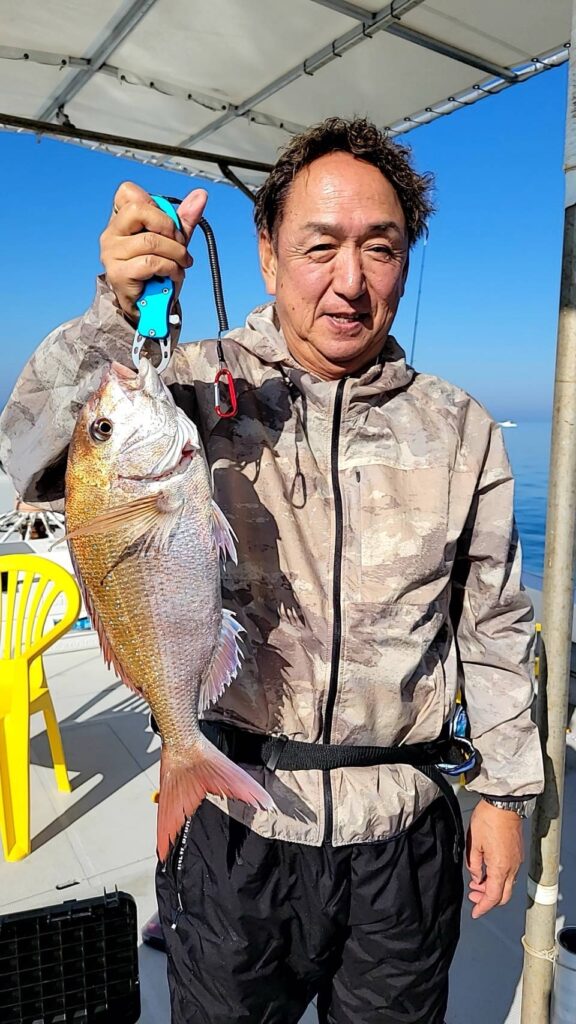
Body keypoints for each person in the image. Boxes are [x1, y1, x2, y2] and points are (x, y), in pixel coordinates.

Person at [0, 117, 543, 1024]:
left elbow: (492, 623)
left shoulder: (462, 427)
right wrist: (114, 312)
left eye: (381, 248)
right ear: (266, 254)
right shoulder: (184, 387)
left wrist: (505, 794)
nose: (350, 280)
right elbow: (29, 455)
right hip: (237, 827)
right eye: (319, 246)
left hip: (402, 834)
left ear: (406, 260)